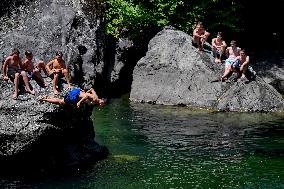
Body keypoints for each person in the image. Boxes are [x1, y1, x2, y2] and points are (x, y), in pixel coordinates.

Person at [38, 87, 105, 108]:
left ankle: (47, 97)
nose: (101, 105)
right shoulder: (96, 99)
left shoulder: (96, 96)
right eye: (102, 104)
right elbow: (86, 96)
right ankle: (44, 99)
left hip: (76, 92)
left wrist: (86, 91)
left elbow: (92, 89)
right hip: (74, 96)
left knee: (60, 100)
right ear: (101, 101)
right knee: (60, 102)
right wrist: (79, 102)